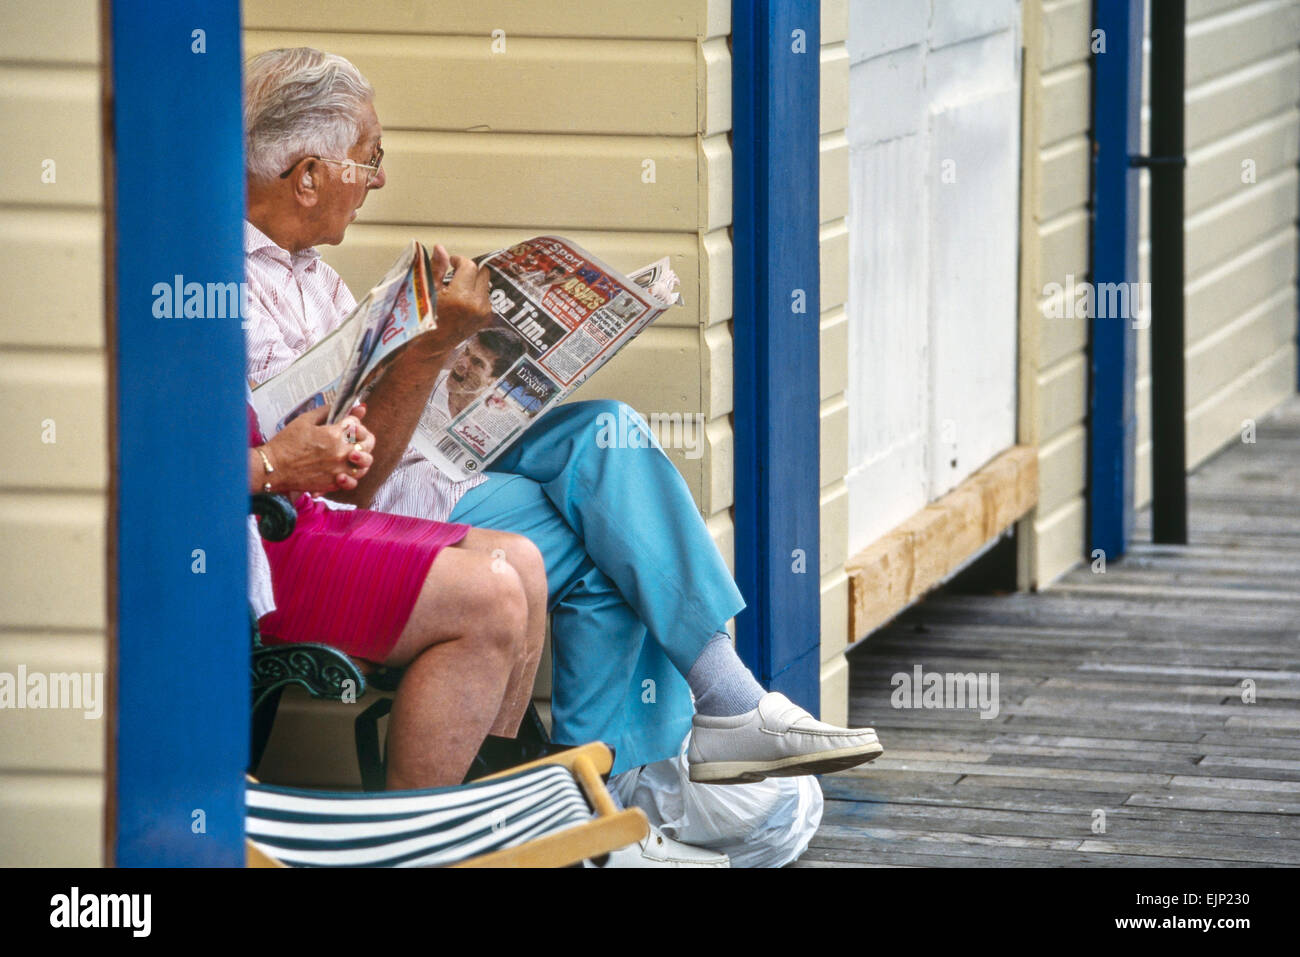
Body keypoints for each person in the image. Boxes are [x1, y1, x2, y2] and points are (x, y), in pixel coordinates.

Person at [242, 47, 883, 864]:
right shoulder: (230, 286)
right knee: (599, 538)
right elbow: (351, 483)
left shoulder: (315, 280)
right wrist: (437, 347)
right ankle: (632, 785)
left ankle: (668, 749)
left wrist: (453, 362)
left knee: (604, 437)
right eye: (369, 160)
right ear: (305, 174)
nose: (378, 180)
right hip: (350, 520)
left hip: (426, 480)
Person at [247, 397, 547, 791]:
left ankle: (489, 796)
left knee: (520, 560)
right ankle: (414, 838)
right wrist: (274, 462)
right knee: (489, 597)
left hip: (294, 509)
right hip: (237, 545)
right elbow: (151, 473)